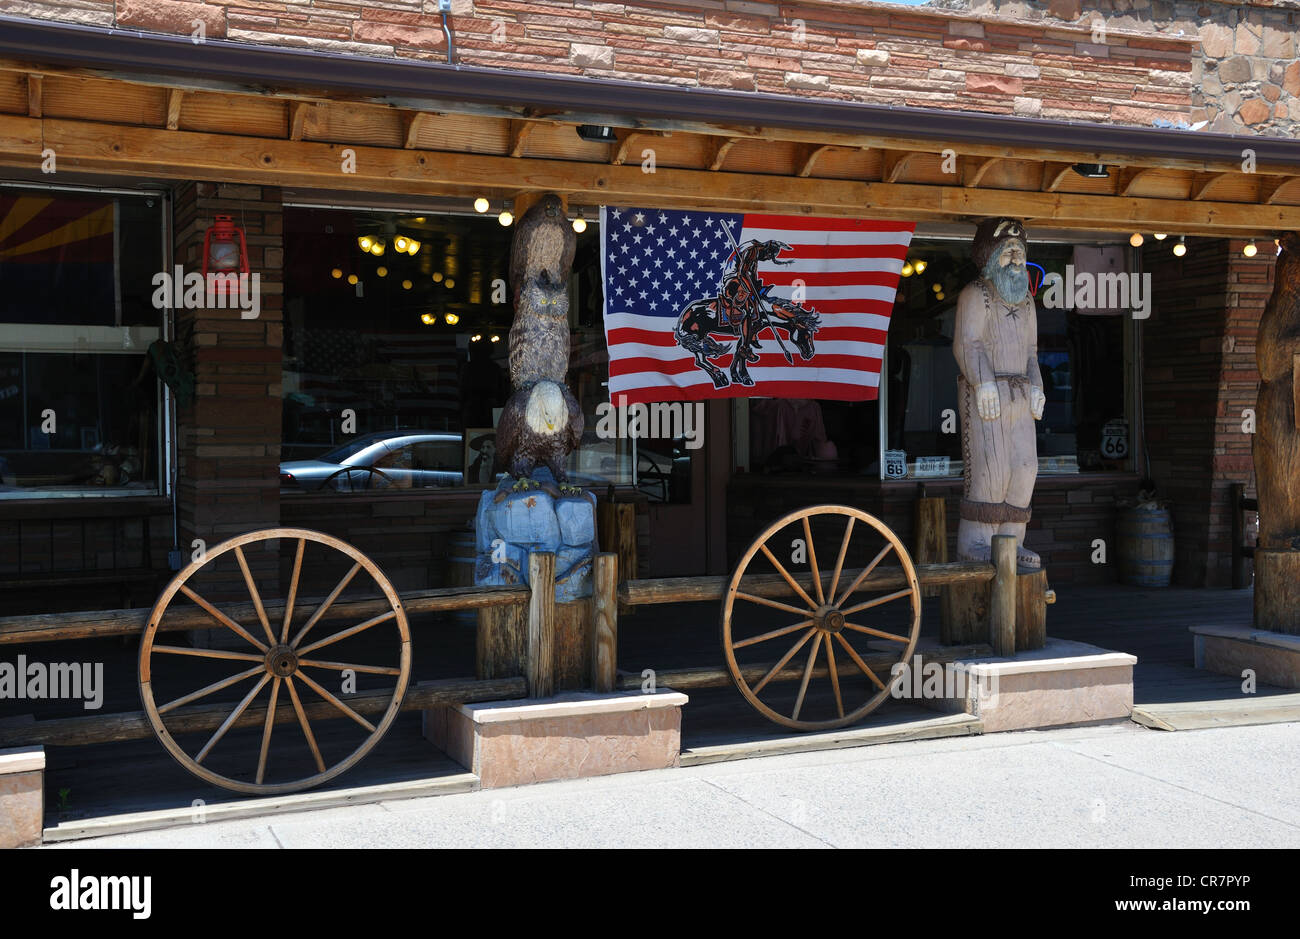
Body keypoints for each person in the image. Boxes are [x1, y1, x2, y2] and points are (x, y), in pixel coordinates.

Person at [953, 218, 1045, 569]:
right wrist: (983, 381)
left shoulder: (1027, 304)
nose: (1016, 259)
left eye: (1020, 253)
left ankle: (1012, 540)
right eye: (1008, 252)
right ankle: (976, 541)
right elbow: (968, 343)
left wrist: (1037, 386)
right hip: (987, 394)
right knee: (991, 469)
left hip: (1021, 392)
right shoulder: (975, 294)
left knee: (1025, 467)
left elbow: (1032, 352)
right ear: (990, 256)